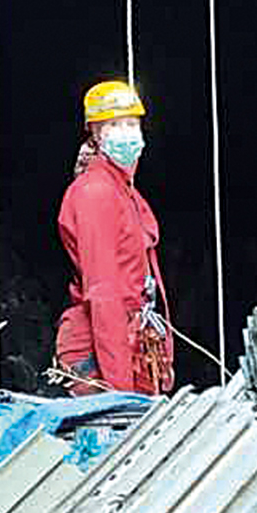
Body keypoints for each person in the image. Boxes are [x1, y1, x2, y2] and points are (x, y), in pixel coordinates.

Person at [53, 80, 175, 395]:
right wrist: (119, 392)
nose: (127, 132)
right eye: (114, 124)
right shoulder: (96, 193)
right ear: (95, 133)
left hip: (132, 339)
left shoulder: (123, 190)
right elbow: (104, 292)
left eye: (132, 123)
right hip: (100, 348)